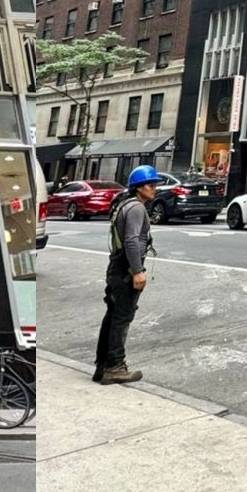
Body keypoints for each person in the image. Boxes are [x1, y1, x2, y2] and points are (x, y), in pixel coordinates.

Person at [93, 165, 159, 385]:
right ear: (139, 187)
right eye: (150, 185)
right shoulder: (137, 208)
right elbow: (131, 240)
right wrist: (137, 271)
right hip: (125, 269)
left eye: (154, 184)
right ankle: (115, 367)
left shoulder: (125, 205)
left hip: (117, 267)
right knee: (122, 317)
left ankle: (102, 365)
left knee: (112, 315)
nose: (154, 189)